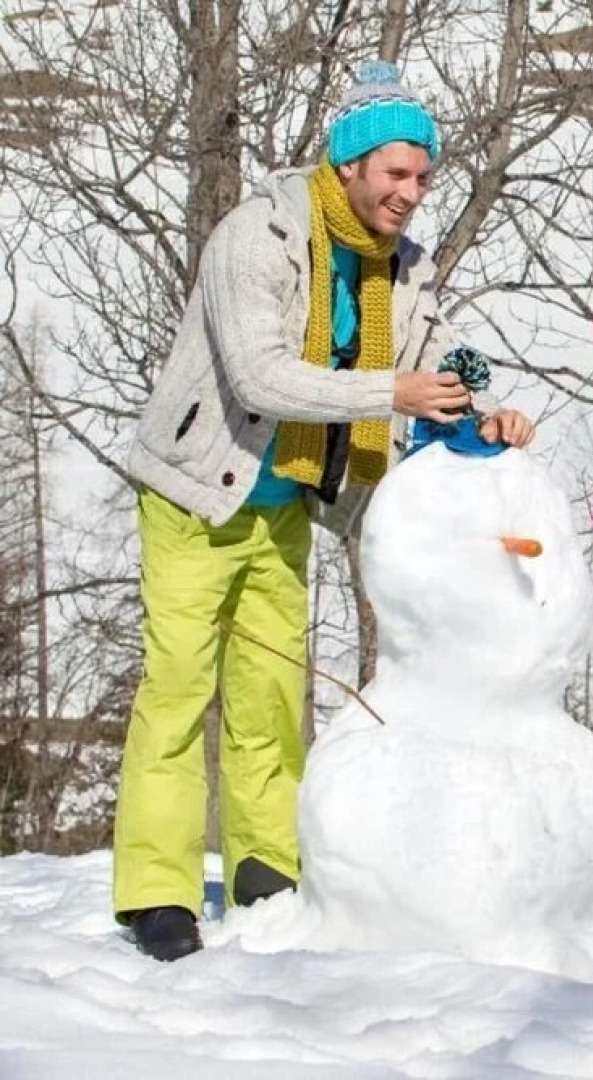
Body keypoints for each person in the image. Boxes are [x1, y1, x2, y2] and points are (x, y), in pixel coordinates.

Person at [115, 61, 534, 962]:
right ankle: (158, 891)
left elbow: (435, 358)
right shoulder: (256, 236)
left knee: (270, 695)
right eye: (395, 174)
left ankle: (266, 867)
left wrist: (479, 405)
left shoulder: (402, 268)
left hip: (284, 501)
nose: (412, 194)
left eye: (423, 177)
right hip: (195, 488)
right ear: (347, 166)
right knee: (180, 690)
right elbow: (259, 372)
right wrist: (394, 390)